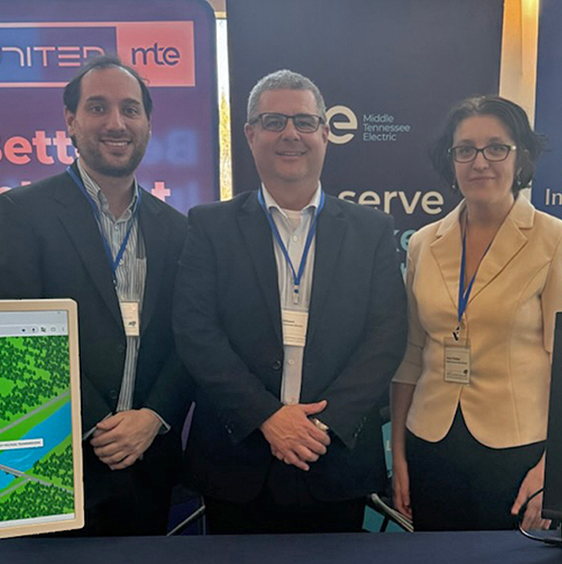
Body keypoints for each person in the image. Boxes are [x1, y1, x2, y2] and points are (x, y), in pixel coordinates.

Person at [173, 69, 406, 534]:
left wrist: (322, 426)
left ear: (325, 132)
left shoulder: (371, 230)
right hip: (237, 461)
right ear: (250, 133)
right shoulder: (209, 226)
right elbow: (195, 330)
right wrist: (267, 417)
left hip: (333, 457)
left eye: (303, 121)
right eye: (274, 120)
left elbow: (387, 334)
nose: (290, 134)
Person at [0, 55, 192, 536]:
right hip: (57, 458)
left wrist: (154, 418)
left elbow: (191, 336)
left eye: (130, 109)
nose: (116, 123)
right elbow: (23, 339)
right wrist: (97, 422)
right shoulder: (22, 212)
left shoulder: (178, 228)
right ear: (71, 122)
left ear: (146, 123)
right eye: (98, 108)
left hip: (149, 461)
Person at [390, 95, 562, 531]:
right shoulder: (424, 242)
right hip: (431, 444)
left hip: (517, 452)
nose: (480, 162)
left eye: (496, 147)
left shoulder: (555, 241)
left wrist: (551, 467)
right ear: (452, 160)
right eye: (466, 150)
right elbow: (410, 353)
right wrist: (399, 455)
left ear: (520, 157)